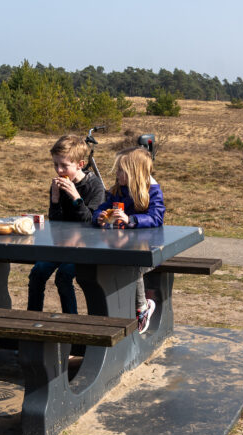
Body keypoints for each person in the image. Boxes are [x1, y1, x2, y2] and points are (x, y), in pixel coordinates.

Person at [27, 134, 105, 314]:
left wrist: (76, 198)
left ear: (80, 164)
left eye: (64, 165)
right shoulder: (57, 185)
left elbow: (91, 222)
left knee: (63, 275)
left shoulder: (95, 186)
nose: (59, 170)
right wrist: (55, 199)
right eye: (55, 164)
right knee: (38, 272)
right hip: (62, 243)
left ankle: (70, 319)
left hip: (87, 245)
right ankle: (32, 316)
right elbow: (56, 222)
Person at [92, 146, 165, 333]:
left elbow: (156, 217)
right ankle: (114, 314)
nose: (116, 174)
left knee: (133, 266)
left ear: (134, 172)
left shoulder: (152, 190)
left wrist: (131, 219)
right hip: (122, 246)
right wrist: (99, 216)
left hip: (149, 250)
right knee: (104, 269)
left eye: (120, 170)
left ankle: (142, 308)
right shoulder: (118, 190)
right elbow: (102, 207)